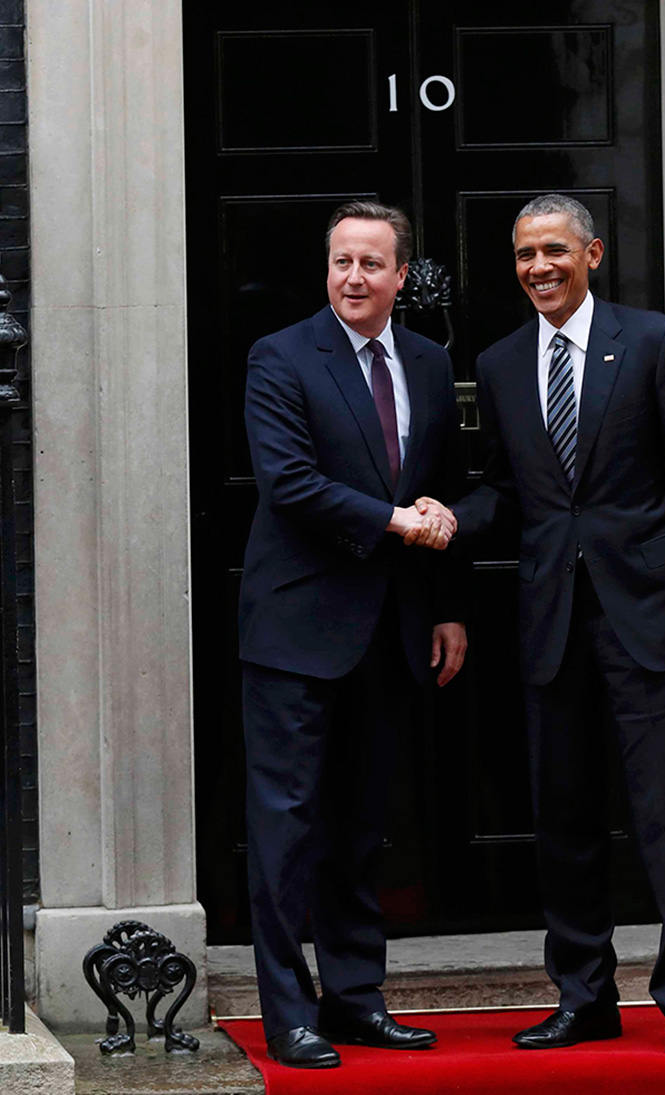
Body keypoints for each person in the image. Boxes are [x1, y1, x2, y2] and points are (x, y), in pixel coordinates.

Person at [417, 193, 665, 1057]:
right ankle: (584, 995)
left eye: (554, 250)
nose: (539, 268)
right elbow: (512, 494)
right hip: (550, 623)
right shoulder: (504, 358)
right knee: (562, 820)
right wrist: (446, 513)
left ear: (592, 254)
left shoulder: (655, 342)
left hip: (649, 620)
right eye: (525, 254)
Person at [239, 200, 465, 1069]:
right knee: (286, 830)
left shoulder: (433, 364)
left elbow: (441, 486)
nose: (354, 278)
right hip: (296, 631)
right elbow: (289, 483)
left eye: (372, 264)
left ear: (401, 276)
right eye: (341, 262)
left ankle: (356, 999)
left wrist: (446, 605)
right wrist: (397, 523)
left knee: (363, 827)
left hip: (393, 630)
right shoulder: (281, 356)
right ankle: (286, 1012)